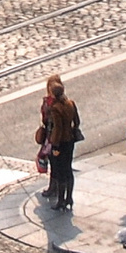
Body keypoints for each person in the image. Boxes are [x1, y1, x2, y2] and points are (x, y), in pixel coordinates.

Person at [44, 78, 80, 211]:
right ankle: (69, 198)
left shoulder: (55, 108)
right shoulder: (71, 103)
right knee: (68, 170)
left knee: (59, 172)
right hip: (70, 140)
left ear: (53, 94)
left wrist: (56, 145)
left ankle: (60, 200)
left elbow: (57, 128)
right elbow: (77, 121)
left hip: (60, 142)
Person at [38, 75, 64, 200]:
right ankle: (58, 190)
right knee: (57, 164)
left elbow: (47, 119)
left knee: (55, 164)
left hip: (53, 138)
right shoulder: (67, 102)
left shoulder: (52, 105)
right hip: (57, 138)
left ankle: (54, 188)